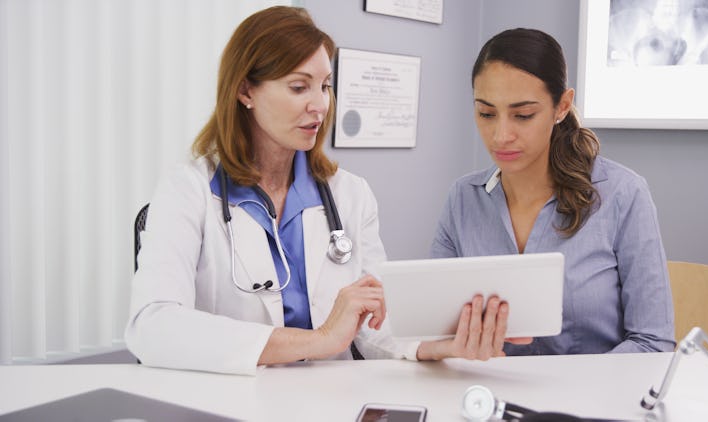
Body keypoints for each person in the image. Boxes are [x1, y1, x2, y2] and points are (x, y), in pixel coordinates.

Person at [125, 6, 512, 375]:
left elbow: (375, 322)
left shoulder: (350, 195)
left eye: (325, 86)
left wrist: (438, 346)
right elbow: (152, 326)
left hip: (333, 402)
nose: (320, 105)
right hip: (235, 403)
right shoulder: (187, 190)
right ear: (245, 91)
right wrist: (320, 340)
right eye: (299, 87)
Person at [430, 28, 675, 355]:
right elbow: (434, 330)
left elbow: (653, 342)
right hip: (487, 398)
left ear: (562, 107)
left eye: (523, 115)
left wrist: (572, 391)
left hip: (595, 400)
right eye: (486, 113)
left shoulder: (623, 194)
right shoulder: (463, 198)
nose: (501, 135)